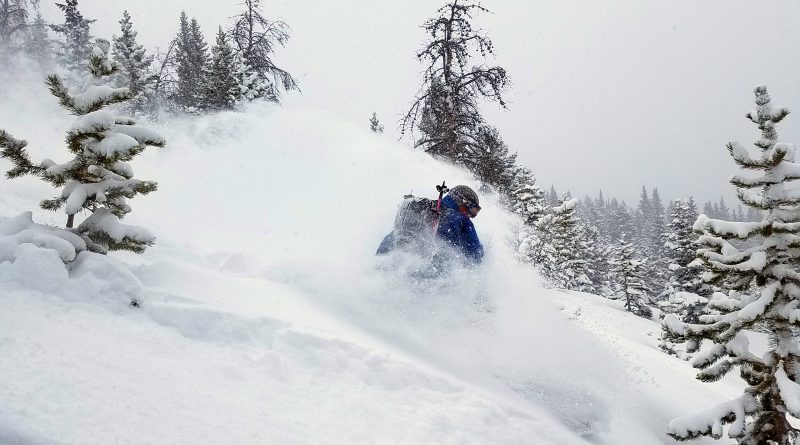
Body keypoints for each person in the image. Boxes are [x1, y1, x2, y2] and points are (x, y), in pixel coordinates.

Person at [435, 185, 484, 263]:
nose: (471, 215)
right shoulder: (462, 221)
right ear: (463, 201)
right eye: (472, 209)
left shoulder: (430, 206)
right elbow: (476, 256)